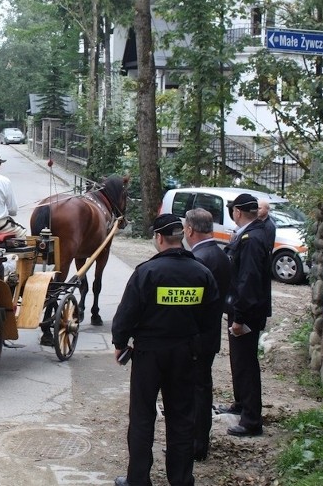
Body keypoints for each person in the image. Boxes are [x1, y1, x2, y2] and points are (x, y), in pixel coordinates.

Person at [112, 214, 219, 486]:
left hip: (149, 354)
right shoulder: (201, 273)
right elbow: (210, 319)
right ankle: (181, 479)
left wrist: (120, 344)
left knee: (142, 417)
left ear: (159, 238)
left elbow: (126, 314)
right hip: (185, 354)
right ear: (180, 237)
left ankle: (138, 479)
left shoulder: (147, 272)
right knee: (182, 417)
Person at [218, 193, 272, 437]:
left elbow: (248, 281)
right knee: (239, 361)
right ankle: (241, 404)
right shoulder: (253, 233)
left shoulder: (252, 239)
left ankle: (251, 419)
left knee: (246, 364)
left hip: (247, 311)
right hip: (244, 308)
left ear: (237, 212)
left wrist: (239, 317)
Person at [184, 208, 231, 462]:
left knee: (194, 392)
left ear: (190, 230)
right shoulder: (221, 255)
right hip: (210, 335)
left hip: (195, 339)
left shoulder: (198, 260)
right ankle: (199, 441)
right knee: (202, 388)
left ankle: (194, 444)